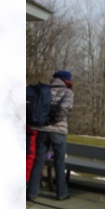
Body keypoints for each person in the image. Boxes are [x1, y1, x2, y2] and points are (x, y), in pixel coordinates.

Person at [26, 70, 74, 201]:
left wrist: (45, 122)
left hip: (41, 129)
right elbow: (63, 109)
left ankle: (31, 192)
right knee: (59, 162)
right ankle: (61, 193)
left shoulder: (44, 91)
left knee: (38, 161)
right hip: (58, 131)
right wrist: (53, 121)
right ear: (67, 80)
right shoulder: (67, 92)